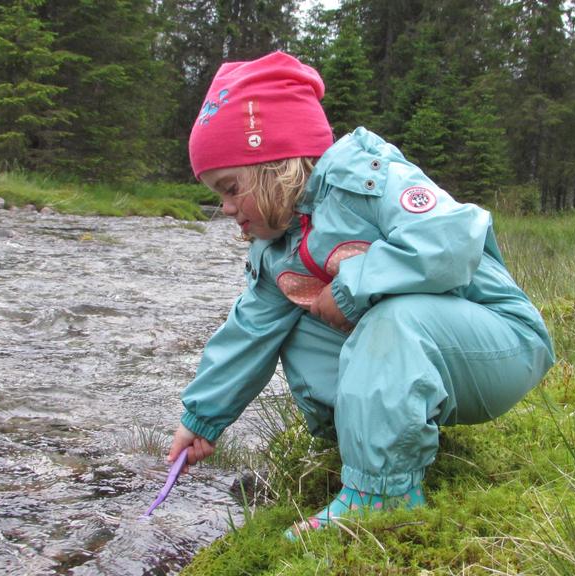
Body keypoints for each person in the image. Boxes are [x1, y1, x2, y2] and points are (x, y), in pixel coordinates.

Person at [167, 51, 554, 539]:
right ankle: (366, 442)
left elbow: (454, 238)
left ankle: (382, 497)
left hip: (499, 344)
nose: (224, 208)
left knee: (396, 319)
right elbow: (248, 333)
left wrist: (353, 287)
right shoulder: (276, 248)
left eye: (229, 187)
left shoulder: (367, 181)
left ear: (274, 164)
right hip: (432, 359)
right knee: (291, 319)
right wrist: (201, 420)